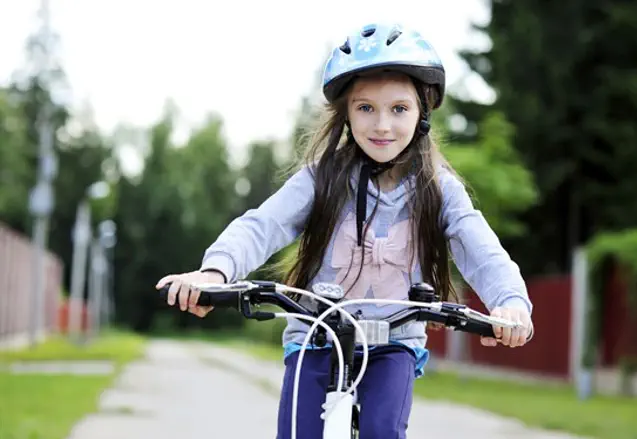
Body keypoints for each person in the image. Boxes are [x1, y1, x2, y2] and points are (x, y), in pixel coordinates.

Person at [156, 22, 534, 439]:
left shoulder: (438, 187)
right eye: (365, 108)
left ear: (422, 112)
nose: (382, 125)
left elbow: (479, 246)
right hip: (316, 335)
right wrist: (215, 272)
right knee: (298, 431)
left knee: (381, 430)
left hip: (394, 343)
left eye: (399, 109)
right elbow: (263, 225)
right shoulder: (322, 178)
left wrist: (510, 302)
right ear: (347, 113)